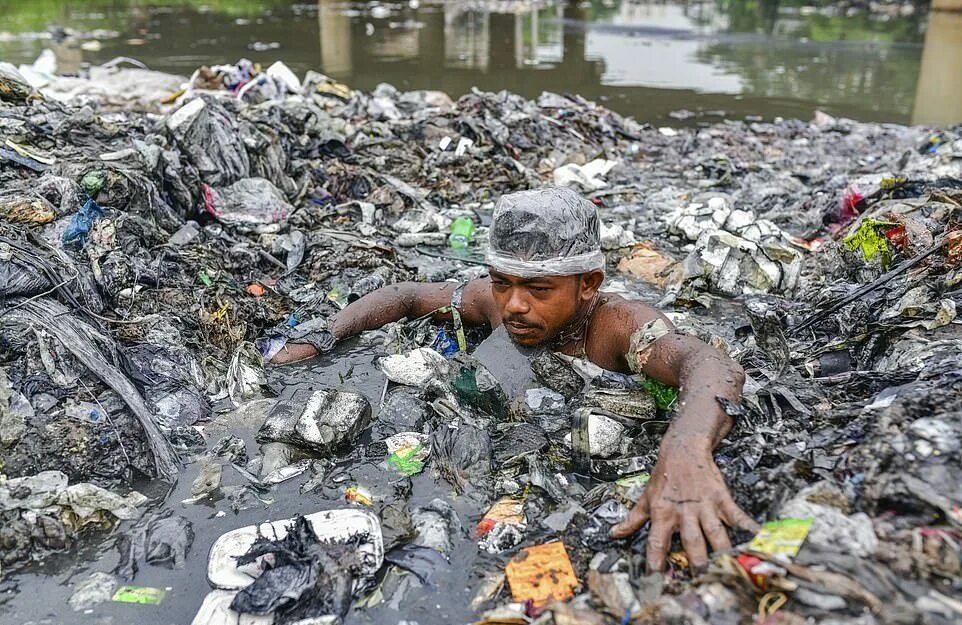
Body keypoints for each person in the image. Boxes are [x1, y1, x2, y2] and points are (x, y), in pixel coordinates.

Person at [271, 187, 759, 572]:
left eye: (538, 289)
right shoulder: (496, 302)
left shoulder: (618, 327)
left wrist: (685, 449)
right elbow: (406, 295)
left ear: (588, 282)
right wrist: (324, 337)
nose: (514, 305)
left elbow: (711, 367)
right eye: (502, 282)